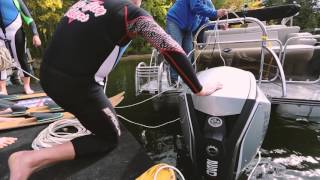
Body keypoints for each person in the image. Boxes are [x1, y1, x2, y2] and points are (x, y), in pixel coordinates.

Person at [8, 0, 222, 179]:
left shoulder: (87, 1)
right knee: (109, 137)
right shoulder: (131, 13)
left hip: (47, 78)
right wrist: (198, 88)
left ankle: (88, 114)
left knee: (94, 105)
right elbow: (170, 46)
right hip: (75, 87)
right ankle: (27, 160)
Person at [166, 0, 228, 84]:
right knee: (176, 51)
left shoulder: (206, 2)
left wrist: (219, 25)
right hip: (175, 21)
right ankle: (173, 81)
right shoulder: (199, 4)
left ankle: (186, 80)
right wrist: (215, 13)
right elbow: (195, 6)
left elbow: (205, 21)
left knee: (189, 53)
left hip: (187, 28)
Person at [0, 0, 41, 95]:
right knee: (1, 60)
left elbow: (29, 19)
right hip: (0, 34)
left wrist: (35, 34)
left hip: (15, 30)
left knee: (21, 58)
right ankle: (2, 89)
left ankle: (27, 86)